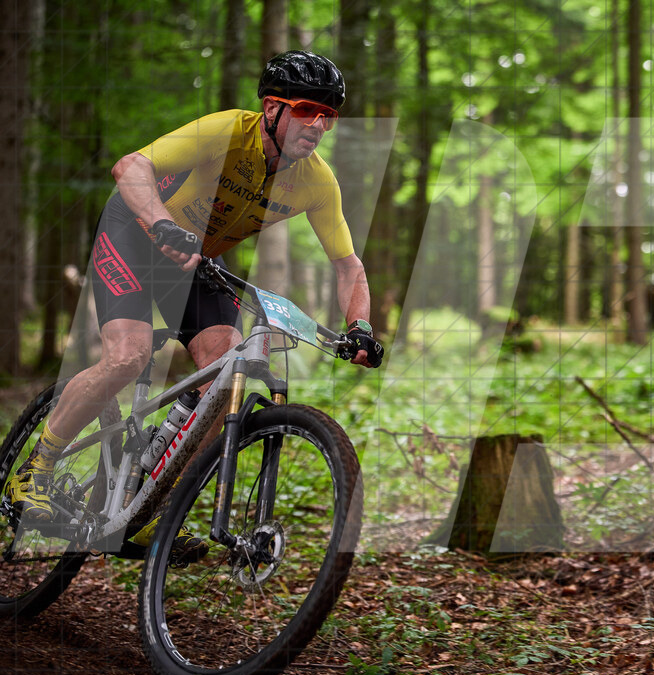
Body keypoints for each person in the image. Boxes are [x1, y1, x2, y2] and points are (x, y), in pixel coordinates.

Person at [4, 51, 383, 564]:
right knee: (129, 355)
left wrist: (358, 325)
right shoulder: (229, 131)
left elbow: (348, 266)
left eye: (328, 116)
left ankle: (141, 495)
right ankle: (36, 471)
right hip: (138, 232)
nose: (317, 124)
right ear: (271, 108)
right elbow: (131, 166)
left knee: (223, 368)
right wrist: (160, 223)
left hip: (197, 257)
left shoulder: (316, 181)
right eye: (304, 109)